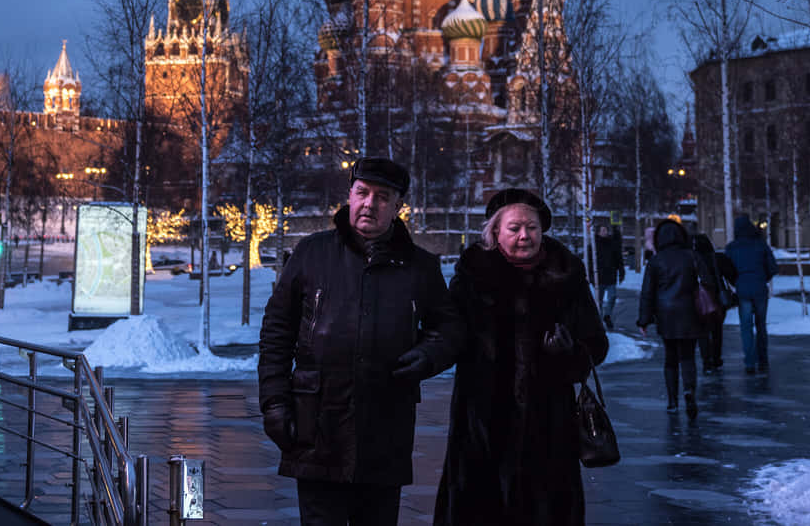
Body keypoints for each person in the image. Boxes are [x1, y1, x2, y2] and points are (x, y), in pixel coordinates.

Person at [258, 156, 464, 526]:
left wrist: (428, 355)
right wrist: (274, 403)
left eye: (383, 196)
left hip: (385, 426)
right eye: (362, 193)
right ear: (349, 196)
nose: (370, 203)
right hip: (317, 423)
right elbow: (276, 331)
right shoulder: (312, 253)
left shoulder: (420, 266)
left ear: (398, 206)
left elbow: (449, 330)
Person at [433, 188, 608, 526]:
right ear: (495, 232)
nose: (525, 235)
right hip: (482, 421)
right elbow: (447, 335)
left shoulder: (566, 277)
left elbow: (596, 344)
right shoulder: (473, 278)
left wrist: (570, 351)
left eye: (532, 227)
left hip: (549, 423)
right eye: (514, 228)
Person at [637, 217, 707, 420]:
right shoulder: (692, 256)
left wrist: (644, 320)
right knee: (687, 356)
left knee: (670, 358)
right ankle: (689, 391)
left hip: (666, 315)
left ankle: (672, 401)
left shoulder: (656, 261)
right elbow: (708, 281)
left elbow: (647, 293)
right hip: (690, 313)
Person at [725, 214, 778, 374]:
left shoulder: (732, 247)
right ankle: (763, 361)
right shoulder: (761, 245)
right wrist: (763, 278)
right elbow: (772, 267)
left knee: (746, 327)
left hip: (743, 289)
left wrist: (737, 282)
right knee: (761, 326)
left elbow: (728, 270)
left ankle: (749, 363)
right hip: (760, 288)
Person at [690, 225, 737, 374]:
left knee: (702, 331)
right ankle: (716, 358)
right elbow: (732, 276)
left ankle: (706, 361)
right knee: (717, 330)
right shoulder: (718, 259)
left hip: (697, 300)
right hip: (717, 298)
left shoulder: (691, 260)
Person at [589, 222, 626, 329]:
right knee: (598, 301)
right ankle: (599, 322)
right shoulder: (594, 244)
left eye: (606, 230)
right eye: (603, 230)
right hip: (599, 277)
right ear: (599, 232)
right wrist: (591, 275)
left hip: (611, 276)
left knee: (612, 297)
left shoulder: (612, 243)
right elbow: (590, 261)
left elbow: (618, 258)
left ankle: (607, 315)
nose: (605, 232)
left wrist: (621, 271)